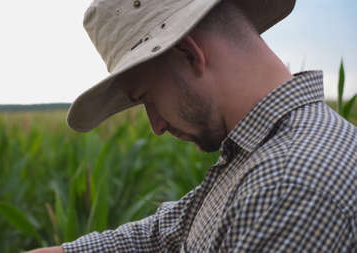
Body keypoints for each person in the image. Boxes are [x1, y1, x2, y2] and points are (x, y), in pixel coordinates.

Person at [28, 0, 356, 252]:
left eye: (147, 97)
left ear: (189, 54)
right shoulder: (257, 156)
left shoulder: (287, 187)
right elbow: (163, 235)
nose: (155, 125)